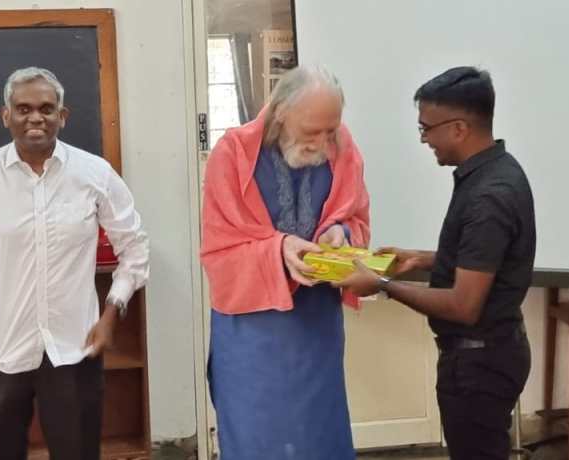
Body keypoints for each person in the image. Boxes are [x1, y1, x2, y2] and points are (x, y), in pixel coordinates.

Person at [0, 66, 149, 460]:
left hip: (74, 349)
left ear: (62, 116)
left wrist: (111, 314)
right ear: (6, 115)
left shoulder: (94, 173)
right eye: (23, 108)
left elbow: (134, 247)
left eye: (47, 109)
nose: (35, 117)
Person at [335, 66, 536, 460]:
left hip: (478, 365)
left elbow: (464, 305)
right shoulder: (494, 171)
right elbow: (484, 259)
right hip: (490, 354)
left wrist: (381, 285)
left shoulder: (489, 195)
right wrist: (420, 259)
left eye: (427, 128)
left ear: (459, 128)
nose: (424, 138)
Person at [199, 66, 370, 460]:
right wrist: (279, 248)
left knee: (318, 432)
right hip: (251, 329)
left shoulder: (343, 147)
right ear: (280, 113)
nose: (324, 143)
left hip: (316, 323)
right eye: (312, 131)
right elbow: (219, 250)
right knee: (256, 433)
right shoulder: (233, 153)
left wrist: (340, 233)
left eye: (331, 131)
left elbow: (356, 217)